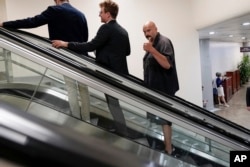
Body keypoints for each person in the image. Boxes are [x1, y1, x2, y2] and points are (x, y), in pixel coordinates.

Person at [0, 0, 90, 120]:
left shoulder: (54, 10)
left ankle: (76, 117)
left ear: (57, 0)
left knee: (71, 88)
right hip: (81, 58)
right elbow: (85, 39)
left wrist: (5, 24)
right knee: (84, 89)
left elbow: (32, 22)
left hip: (66, 58)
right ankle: (87, 118)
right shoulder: (81, 14)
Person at [52, 0, 130, 137]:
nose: (99, 15)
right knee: (113, 102)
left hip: (109, 73)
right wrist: (106, 51)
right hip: (120, 74)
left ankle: (122, 131)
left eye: (101, 12)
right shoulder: (123, 31)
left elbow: (90, 46)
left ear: (108, 14)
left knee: (112, 102)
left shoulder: (106, 28)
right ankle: (121, 128)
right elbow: (127, 51)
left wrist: (66, 44)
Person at [142, 21, 179, 155]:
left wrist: (152, 50)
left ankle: (169, 149)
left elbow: (167, 64)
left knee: (165, 120)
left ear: (156, 29)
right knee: (159, 119)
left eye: (149, 30)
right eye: (145, 31)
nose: (147, 33)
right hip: (154, 89)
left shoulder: (164, 42)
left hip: (163, 90)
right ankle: (164, 145)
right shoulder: (152, 43)